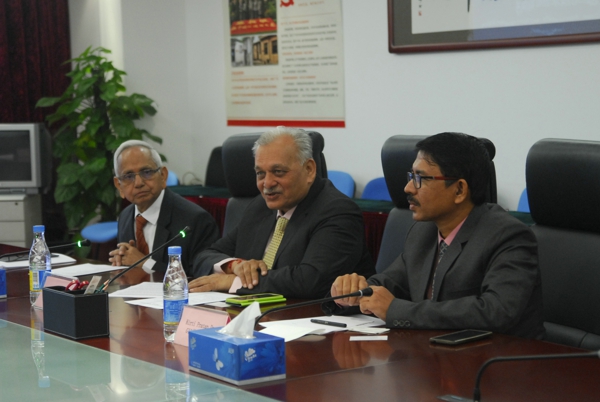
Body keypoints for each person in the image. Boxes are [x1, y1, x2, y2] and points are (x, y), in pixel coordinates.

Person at [330, 132, 545, 339]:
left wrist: (397, 310)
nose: (408, 188)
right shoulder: (423, 231)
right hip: (436, 352)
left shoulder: (508, 236)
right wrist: (355, 292)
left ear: (459, 190)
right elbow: (391, 282)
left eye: (420, 178)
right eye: (411, 176)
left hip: (500, 357)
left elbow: (495, 311)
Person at [188, 127, 374, 298]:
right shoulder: (259, 207)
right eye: (260, 173)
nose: (267, 183)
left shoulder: (337, 212)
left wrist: (234, 282)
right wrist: (234, 265)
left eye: (278, 172)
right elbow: (204, 256)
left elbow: (310, 281)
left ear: (309, 170)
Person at [108, 140, 219, 277]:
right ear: (119, 186)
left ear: (163, 176)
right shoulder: (125, 216)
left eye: (146, 172)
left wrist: (145, 264)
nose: (138, 183)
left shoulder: (195, 220)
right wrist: (122, 261)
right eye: (129, 176)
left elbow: (201, 278)